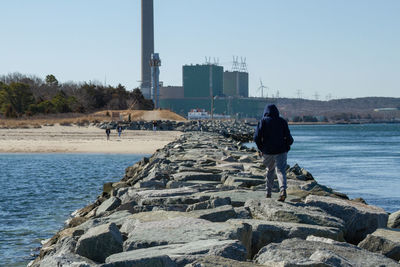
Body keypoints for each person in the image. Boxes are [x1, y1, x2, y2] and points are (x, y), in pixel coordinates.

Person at [254, 104, 294, 202]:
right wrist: (287, 146)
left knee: (269, 170)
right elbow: (289, 138)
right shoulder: (282, 121)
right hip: (281, 150)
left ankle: (268, 192)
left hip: (267, 151)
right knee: (281, 171)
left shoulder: (262, 121)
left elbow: (256, 137)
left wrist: (261, 148)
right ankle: (283, 190)